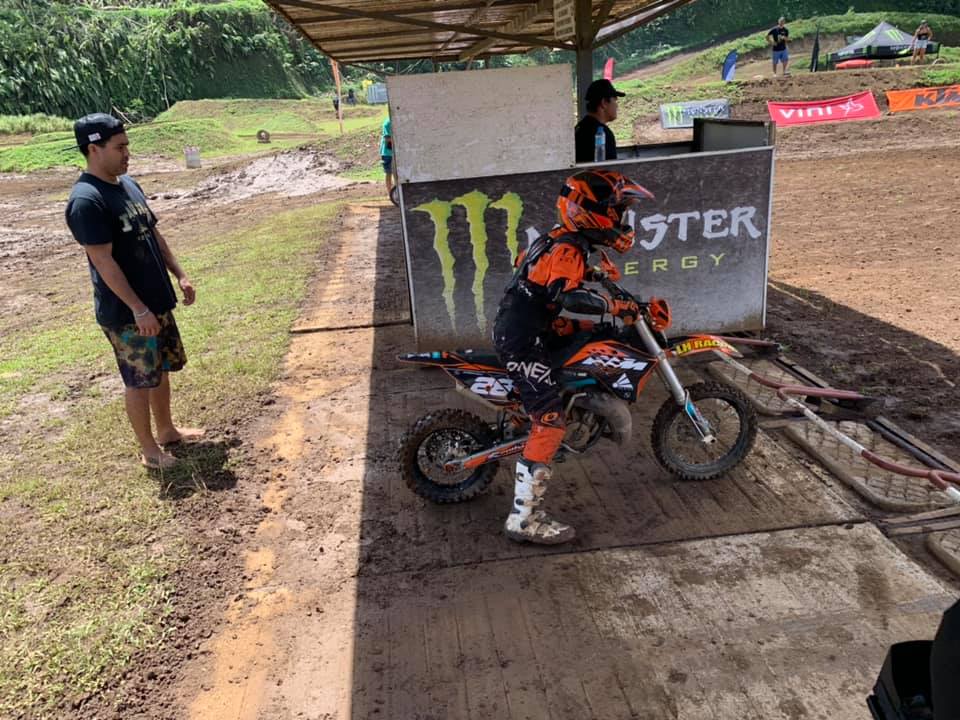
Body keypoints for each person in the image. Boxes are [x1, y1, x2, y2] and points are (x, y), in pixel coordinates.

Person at [492, 170, 654, 544]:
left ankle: (571, 407)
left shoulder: (560, 239)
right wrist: (613, 306)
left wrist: (592, 273)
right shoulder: (567, 248)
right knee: (549, 422)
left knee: (593, 338)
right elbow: (569, 296)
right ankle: (523, 520)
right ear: (592, 212)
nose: (621, 220)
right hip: (523, 340)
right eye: (617, 211)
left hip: (536, 325)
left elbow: (530, 265)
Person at [65, 113, 202, 470]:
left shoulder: (128, 185)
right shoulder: (86, 200)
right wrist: (138, 309)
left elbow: (153, 234)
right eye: (120, 147)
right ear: (94, 149)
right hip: (127, 313)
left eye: (127, 145)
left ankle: (167, 430)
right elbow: (103, 261)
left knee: (160, 369)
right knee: (139, 379)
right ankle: (149, 450)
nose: (128, 153)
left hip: (155, 301)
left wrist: (180, 274)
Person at [574, 79, 625, 163]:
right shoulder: (602, 134)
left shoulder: (579, 127)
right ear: (604, 103)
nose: (617, 106)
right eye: (615, 100)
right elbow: (608, 169)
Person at [380, 114, 394, 198]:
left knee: (395, 173)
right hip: (388, 153)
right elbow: (387, 138)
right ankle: (390, 194)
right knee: (389, 173)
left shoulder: (393, 120)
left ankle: (396, 193)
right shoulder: (388, 122)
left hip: (393, 152)